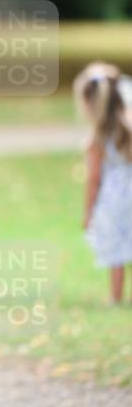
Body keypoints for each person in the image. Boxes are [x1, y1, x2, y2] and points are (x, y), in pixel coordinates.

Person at [73, 63, 132, 305]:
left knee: (117, 250)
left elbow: (94, 179)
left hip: (113, 200)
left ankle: (116, 297)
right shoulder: (128, 130)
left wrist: (88, 212)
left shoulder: (97, 139)